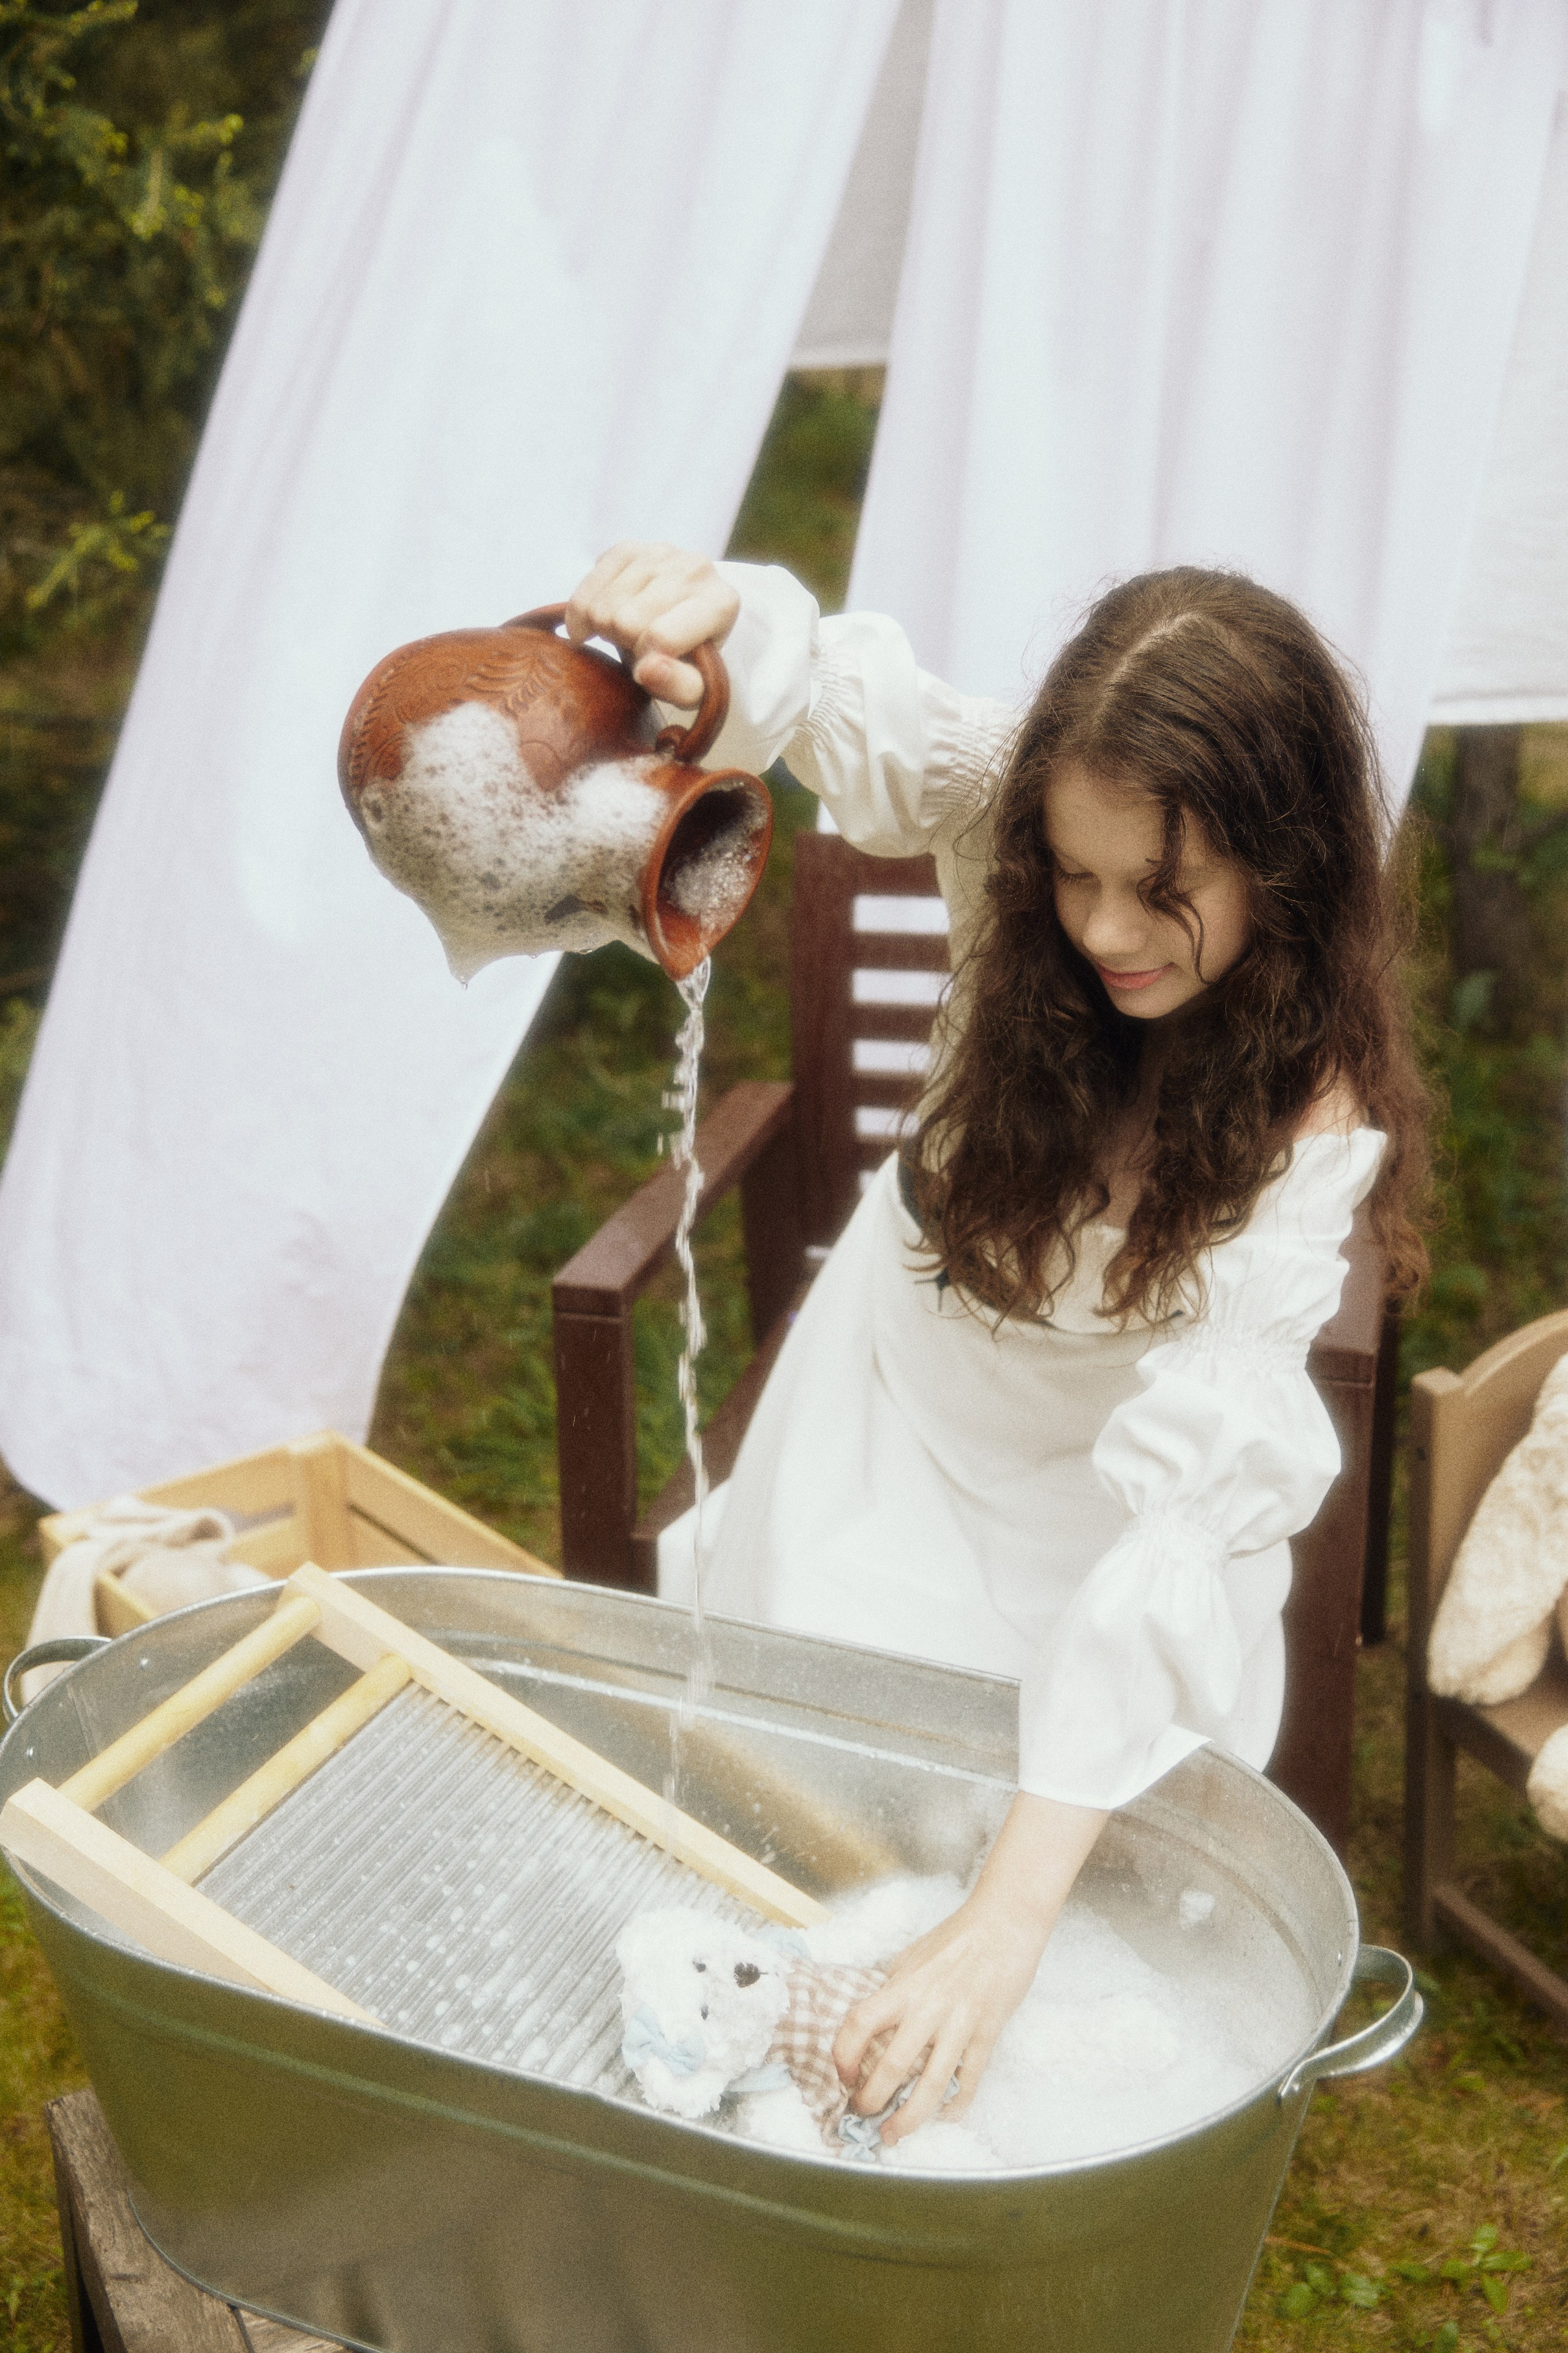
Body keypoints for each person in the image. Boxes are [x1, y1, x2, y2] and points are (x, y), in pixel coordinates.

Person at [564, 541, 1429, 2146]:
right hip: (902, 1393)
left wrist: (1007, 1926)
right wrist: (710, 635)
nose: (1102, 925)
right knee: (813, 1780)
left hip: (1109, 1481)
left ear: (1284, 867)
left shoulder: (1310, 1120)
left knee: (1058, 1852)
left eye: (1160, 890)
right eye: (1075, 872)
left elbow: (1187, 1510)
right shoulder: (1000, 808)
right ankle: (767, 2048)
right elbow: (820, 685)